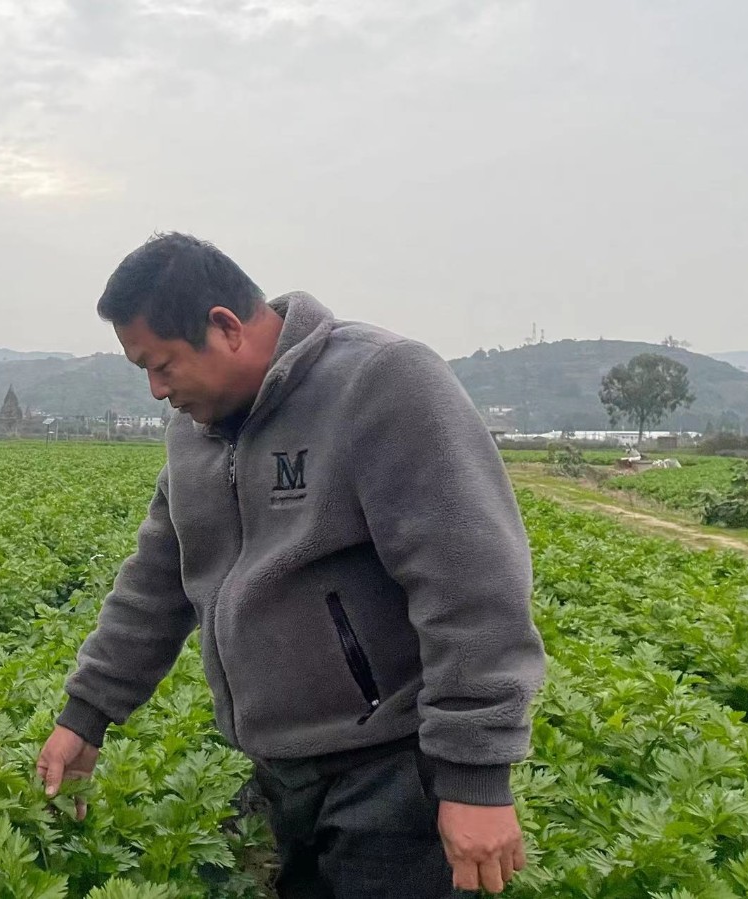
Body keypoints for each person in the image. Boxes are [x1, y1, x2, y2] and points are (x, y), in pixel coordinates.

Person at [37, 233, 545, 897]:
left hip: (392, 771)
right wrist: (87, 712)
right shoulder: (195, 434)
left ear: (225, 326)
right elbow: (156, 584)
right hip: (277, 776)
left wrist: (476, 777)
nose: (158, 390)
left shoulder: (382, 382)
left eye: (162, 365)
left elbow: (472, 584)